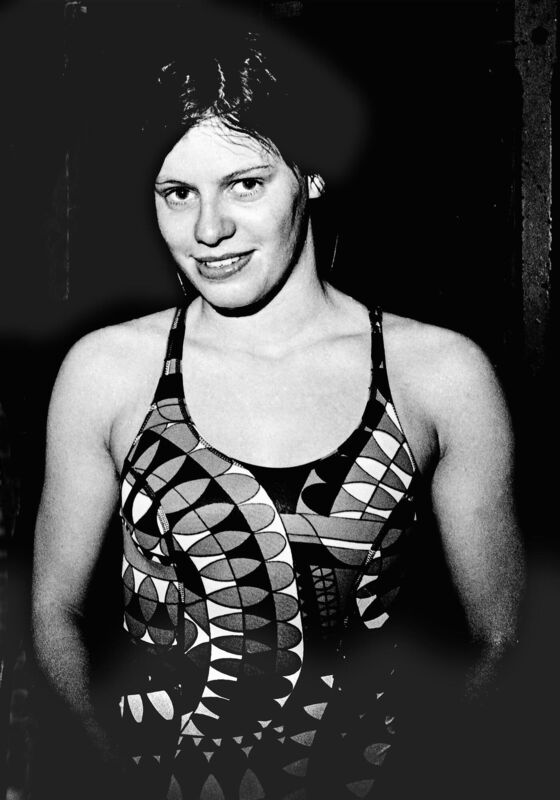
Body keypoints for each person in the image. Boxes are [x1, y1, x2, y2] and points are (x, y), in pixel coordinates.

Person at [31, 11, 523, 800]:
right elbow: (54, 614)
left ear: (312, 173)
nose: (209, 229)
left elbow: (503, 638)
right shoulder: (108, 373)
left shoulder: (439, 376)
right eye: (177, 192)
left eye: (246, 184)